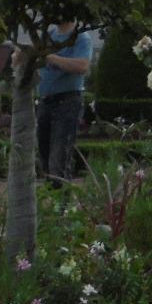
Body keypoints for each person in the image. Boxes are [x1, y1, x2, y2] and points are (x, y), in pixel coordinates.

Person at [34, 19, 93, 185]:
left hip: (66, 102)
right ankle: (51, 199)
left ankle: (61, 207)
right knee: (44, 155)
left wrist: (52, 58)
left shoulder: (81, 37)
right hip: (45, 102)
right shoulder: (48, 36)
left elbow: (83, 66)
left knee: (59, 157)